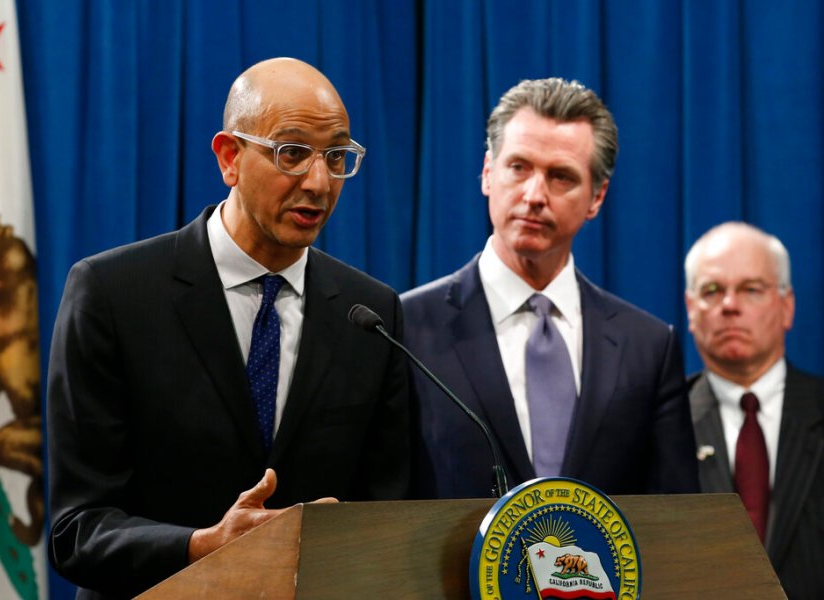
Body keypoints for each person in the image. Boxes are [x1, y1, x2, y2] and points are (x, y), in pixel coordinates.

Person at [47, 57, 410, 599]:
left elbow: (388, 519)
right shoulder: (112, 293)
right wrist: (202, 544)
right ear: (229, 157)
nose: (318, 181)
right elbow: (77, 530)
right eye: (292, 153)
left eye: (336, 157)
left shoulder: (369, 313)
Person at [401, 78, 698, 499]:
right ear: (488, 173)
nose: (534, 194)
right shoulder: (405, 327)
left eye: (561, 177)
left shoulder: (648, 347)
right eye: (519, 167)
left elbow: (677, 519)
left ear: (597, 197)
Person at [684, 222, 823, 600]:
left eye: (751, 289)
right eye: (712, 291)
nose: (730, 306)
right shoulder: (662, 423)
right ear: (691, 309)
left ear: (787, 306)